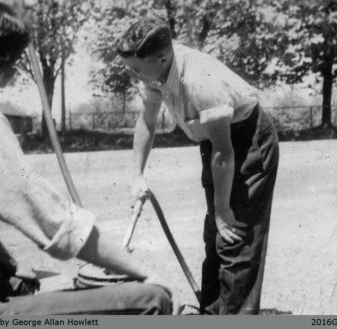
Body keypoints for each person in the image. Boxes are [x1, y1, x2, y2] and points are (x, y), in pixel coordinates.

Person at [0, 2, 176, 315]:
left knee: (24, 284)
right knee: (153, 300)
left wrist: (9, 264)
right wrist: (145, 272)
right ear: (11, 71)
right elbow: (57, 226)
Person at [117, 17, 279, 315]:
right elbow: (147, 121)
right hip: (215, 144)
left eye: (136, 68)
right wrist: (137, 175)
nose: (132, 73)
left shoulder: (199, 80)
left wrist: (222, 209)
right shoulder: (155, 73)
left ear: (162, 58)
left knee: (233, 234)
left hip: (245, 142)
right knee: (215, 236)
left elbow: (224, 153)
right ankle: (211, 313)